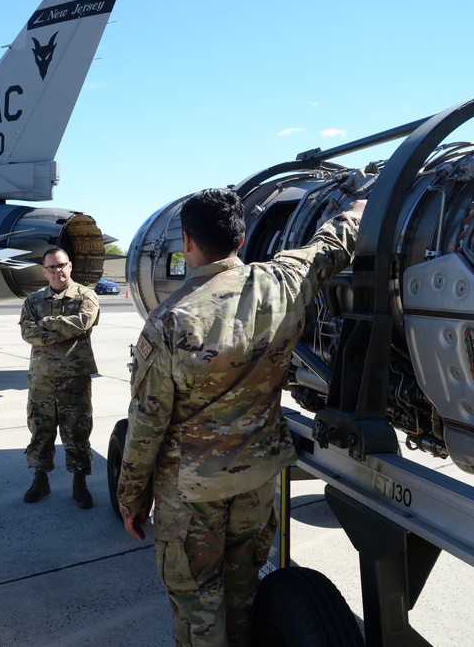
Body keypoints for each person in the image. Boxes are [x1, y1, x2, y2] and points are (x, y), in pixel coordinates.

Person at [117, 188, 365, 646]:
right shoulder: (282, 281)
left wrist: (131, 499)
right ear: (242, 236)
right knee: (242, 595)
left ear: (186, 241)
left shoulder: (170, 320)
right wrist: (356, 211)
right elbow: (328, 246)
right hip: (255, 481)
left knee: (199, 610)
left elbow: (146, 425)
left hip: (192, 493)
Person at [19, 248, 99, 508]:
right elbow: (28, 333)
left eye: (61, 265)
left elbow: (82, 323)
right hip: (42, 380)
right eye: (51, 267)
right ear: (44, 271)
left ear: (70, 266)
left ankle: (79, 483)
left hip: (74, 380)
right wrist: (62, 328)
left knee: (77, 433)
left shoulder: (86, 296)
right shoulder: (33, 300)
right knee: (40, 431)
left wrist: (46, 323)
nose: (57, 271)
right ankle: (40, 480)